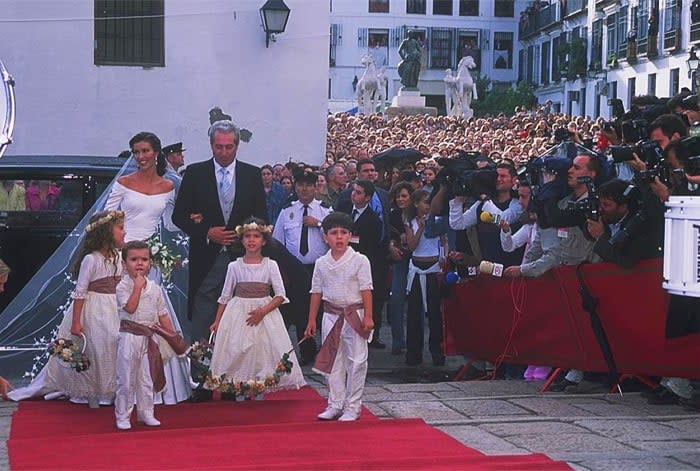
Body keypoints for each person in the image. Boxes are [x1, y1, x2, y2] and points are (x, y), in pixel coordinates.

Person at [172, 120, 267, 402]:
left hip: (242, 258)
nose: (224, 152)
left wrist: (243, 236)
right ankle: (201, 380)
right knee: (202, 317)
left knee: (235, 320)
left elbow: (262, 217)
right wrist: (207, 232)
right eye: (218, 147)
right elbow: (180, 215)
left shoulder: (251, 175)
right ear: (210, 145)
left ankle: (231, 381)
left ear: (237, 145)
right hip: (205, 258)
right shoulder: (196, 173)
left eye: (229, 147)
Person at [104, 131, 191, 404]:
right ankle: (112, 386)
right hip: (121, 259)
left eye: (145, 151)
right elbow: (106, 219)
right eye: (136, 152)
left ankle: (155, 386)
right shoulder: (123, 182)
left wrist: (195, 220)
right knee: (119, 318)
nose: (141, 157)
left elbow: (171, 223)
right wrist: (120, 252)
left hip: (148, 259)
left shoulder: (168, 187)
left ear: (156, 153)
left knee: (152, 316)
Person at [8, 210, 125, 405]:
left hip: (114, 306)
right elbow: (80, 292)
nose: (124, 233)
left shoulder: (118, 257)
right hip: (94, 309)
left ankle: (110, 389)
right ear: (106, 232)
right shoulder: (92, 259)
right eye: (120, 228)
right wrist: (77, 322)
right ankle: (90, 390)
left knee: (112, 346)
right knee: (96, 347)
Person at [209, 219, 305, 395]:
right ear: (241, 240)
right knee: (238, 347)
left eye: (256, 236)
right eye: (247, 236)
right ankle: (239, 386)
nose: (251, 240)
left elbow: (280, 295)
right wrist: (217, 321)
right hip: (238, 313)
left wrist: (262, 311)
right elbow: (225, 296)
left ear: (264, 240)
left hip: (265, 310)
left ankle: (260, 386)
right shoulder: (234, 266)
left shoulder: (270, 265)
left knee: (262, 348)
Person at [304, 212, 374, 422]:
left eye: (344, 233)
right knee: (333, 362)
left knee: (357, 361)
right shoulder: (321, 263)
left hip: (355, 315)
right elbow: (316, 292)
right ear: (325, 237)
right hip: (331, 315)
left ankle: (353, 406)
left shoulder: (360, 260)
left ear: (350, 235)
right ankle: (335, 403)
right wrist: (311, 320)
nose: (339, 237)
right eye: (334, 233)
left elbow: (366, 289)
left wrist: (368, 316)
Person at [272, 169, 331, 365]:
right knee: (299, 310)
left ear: (316, 187)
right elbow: (277, 242)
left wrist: (319, 224)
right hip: (295, 268)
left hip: (319, 267)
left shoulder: (325, 210)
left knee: (322, 310)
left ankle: (327, 350)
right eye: (300, 186)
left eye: (308, 185)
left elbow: (337, 238)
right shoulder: (287, 211)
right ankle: (306, 351)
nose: (304, 189)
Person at [115, 240, 175, 430]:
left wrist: (172, 336)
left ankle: (146, 412)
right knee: (126, 378)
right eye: (134, 259)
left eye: (144, 259)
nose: (139, 263)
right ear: (124, 264)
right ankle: (123, 415)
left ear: (150, 263)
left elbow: (163, 313)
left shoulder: (155, 288)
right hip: (130, 337)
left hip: (150, 338)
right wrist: (137, 287)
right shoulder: (123, 287)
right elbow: (130, 308)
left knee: (146, 378)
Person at [404, 190, 447, 366]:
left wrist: (445, 256)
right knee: (414, 313)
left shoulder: (437, 221)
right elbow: (412, 246)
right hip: (416, 267)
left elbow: (444, 241)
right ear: (416, 204)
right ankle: (414, 353)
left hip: (433, 268)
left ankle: (437, 352)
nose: (427, 206)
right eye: (423, 202)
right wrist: (421, 227)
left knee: (436, 314)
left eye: (429, 202)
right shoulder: (410, 222)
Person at [387, 182, 414, 355]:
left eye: (404, 196)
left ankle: (413, 342)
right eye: (398, 196)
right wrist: (391, 245)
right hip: (400, 260)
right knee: (396, 299)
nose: (400, 199)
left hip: (417, 261)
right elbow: (388, 235)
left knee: (415, 303)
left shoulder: (418, 214)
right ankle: (398, 341)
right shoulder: (393, 215)